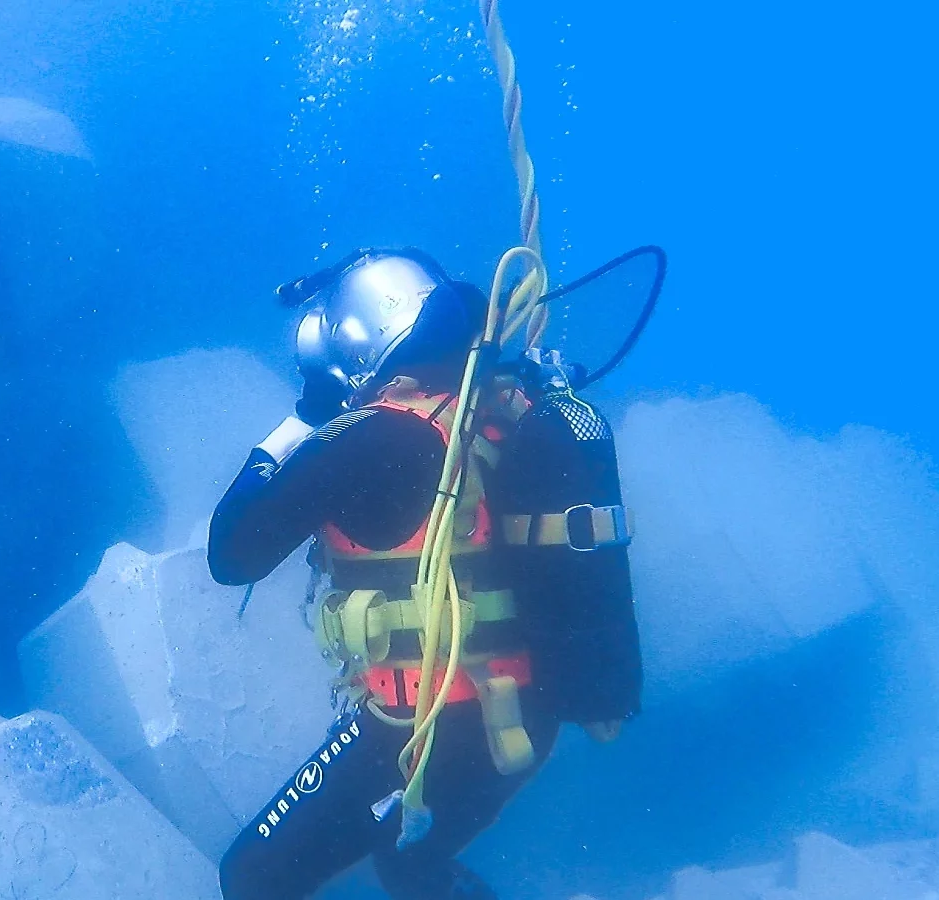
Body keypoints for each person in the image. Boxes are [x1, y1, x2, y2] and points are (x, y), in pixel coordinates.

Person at [208, 248, 643, 900]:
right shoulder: (505, 404)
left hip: (423, 731)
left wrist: (300, 419)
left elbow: (231, 555)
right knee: (410, 860)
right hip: (524, 715)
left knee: (251, 876)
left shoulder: (364, 438)